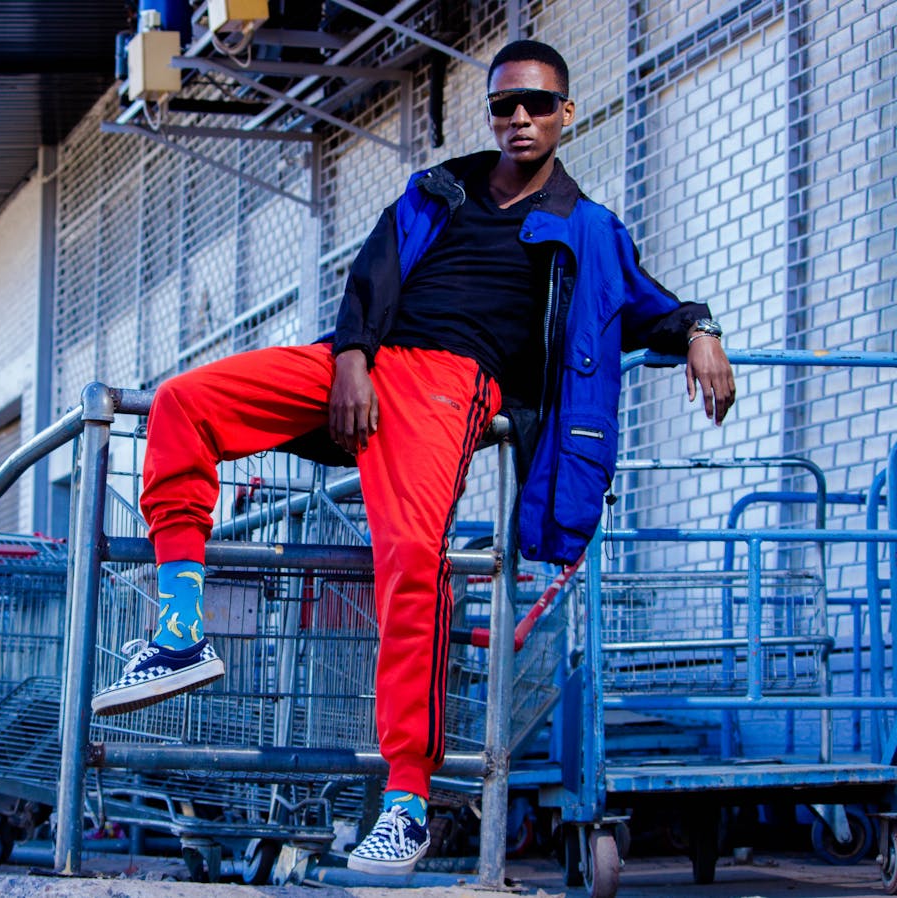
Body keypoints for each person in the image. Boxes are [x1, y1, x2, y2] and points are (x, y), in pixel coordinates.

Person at [90, 39, 735, 875]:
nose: (519, 118)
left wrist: (701, 331)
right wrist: (352, 358)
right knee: (184, 402)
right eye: (505, 104)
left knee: (409, 562)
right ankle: (180, 629)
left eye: (537, 104)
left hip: (449, 385)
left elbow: (651, 305)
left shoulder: (590, 229)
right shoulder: (439, 189)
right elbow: (370, 276)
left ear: (567, 115)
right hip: (357, 358)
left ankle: (405, 802)